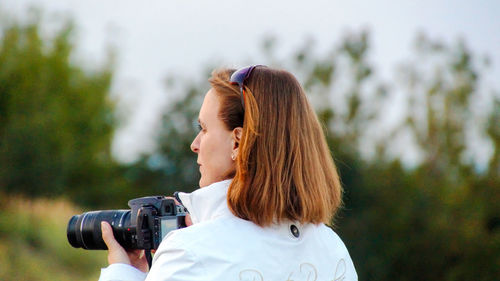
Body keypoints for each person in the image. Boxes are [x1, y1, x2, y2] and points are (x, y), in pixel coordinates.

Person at [98, 66, 358, 281]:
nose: (195, 144)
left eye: (204, 128)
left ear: (237, 142)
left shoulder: (189, 253)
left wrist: (124, 273)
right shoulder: (333, 251)